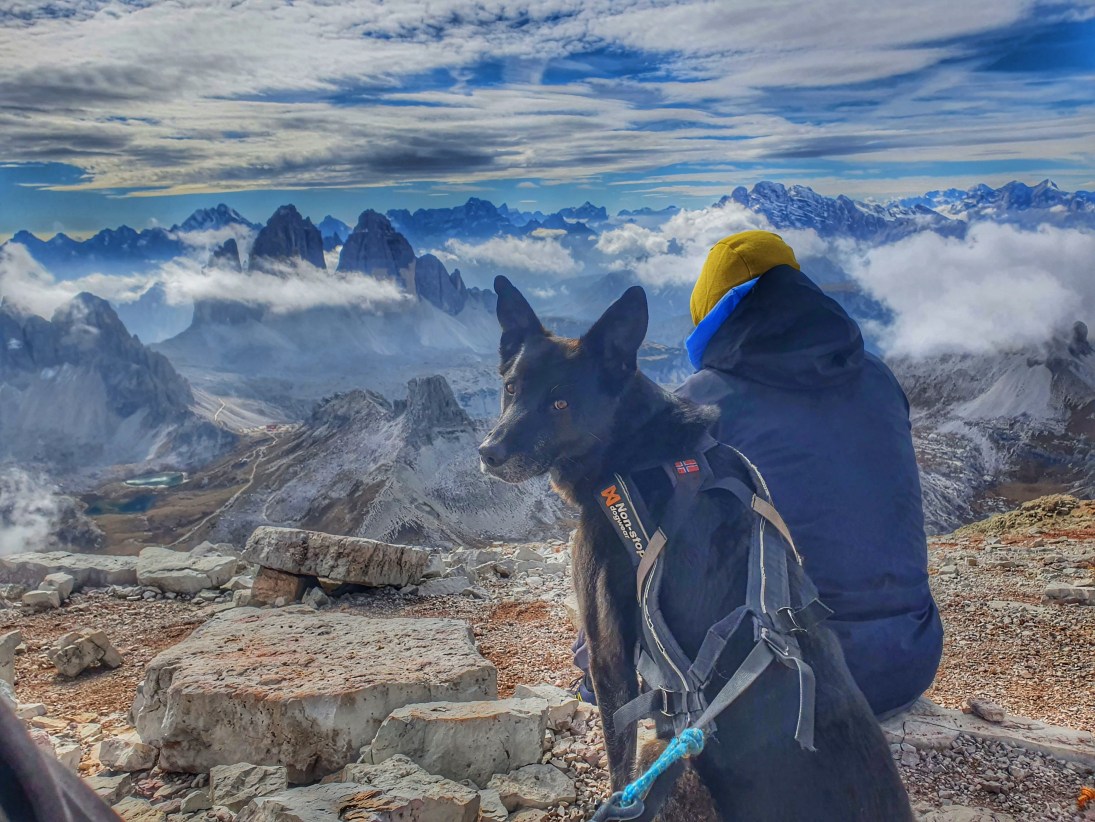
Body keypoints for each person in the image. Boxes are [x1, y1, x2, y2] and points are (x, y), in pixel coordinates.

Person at [570, 230, 942, 719]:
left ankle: (607, 676)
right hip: (907, 662)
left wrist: (594, 655)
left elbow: (637, 540)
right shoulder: (877, 377)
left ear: (710, 314)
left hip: (789, 683)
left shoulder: (702, 405)